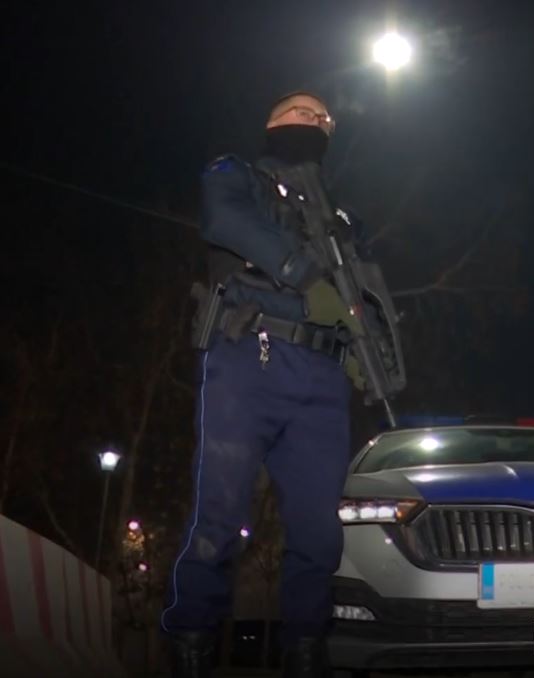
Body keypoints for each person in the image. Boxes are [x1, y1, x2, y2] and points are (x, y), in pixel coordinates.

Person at [161, 91, 371, 678]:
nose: (316, 120)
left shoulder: (340, 217)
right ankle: (191, 641)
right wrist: (303, 273)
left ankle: (306, 647)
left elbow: (362, 289)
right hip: (246, 359)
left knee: (319, 533)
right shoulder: (236, 174)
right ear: (272, 123)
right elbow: (223, 220)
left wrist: (364, 345)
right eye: (303, 110)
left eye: (325, 118)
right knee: (219, 515)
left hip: (321, 378)